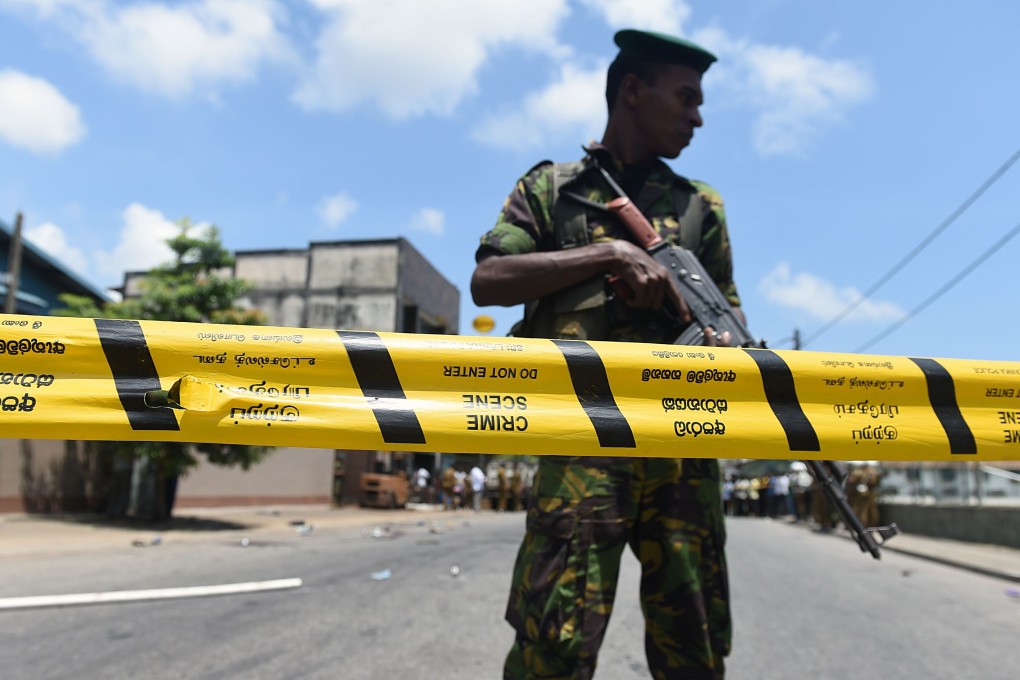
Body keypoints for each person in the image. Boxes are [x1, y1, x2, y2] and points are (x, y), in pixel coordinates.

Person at [472, 29, 743, 680]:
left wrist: (692, 313)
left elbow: (733, 322)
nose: (697, 116)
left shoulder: (699, 208)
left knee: (695, 651)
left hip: (682, 446)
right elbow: (490, 280)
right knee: (555, 645)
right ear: (632, 91)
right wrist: (606, 254)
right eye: (685, 97)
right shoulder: (552, 190)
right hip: (581, 444)